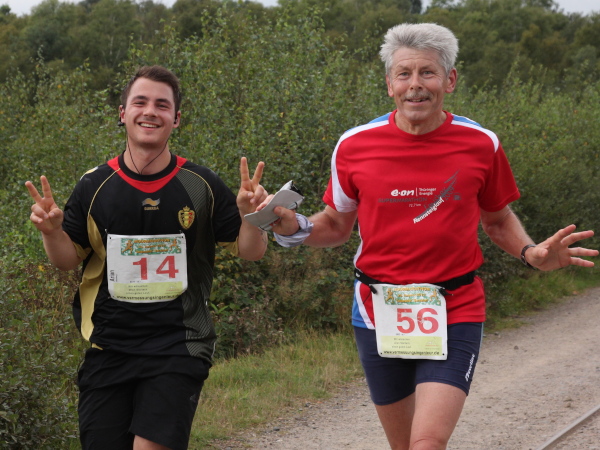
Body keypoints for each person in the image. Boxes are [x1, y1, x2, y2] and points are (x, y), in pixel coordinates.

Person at [261, 23, 598, 449]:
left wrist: (530, 252)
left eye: (428, 73)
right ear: (389, 84)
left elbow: (497, 221)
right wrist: (294, 228)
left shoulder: (481, 143)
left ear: (450, 80)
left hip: (455, 305)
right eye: (404, 74)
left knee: (428, 442)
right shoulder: (354, 145)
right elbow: (335, 225)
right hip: (377, 310)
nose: (415, 85)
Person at [25, 65, 269, 450]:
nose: (150, 111)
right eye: (140, 102)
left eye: (162, 105)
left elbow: (251, 251)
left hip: (179, 344)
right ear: (123, 113)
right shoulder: (94, 185)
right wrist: (52, 232)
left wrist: (252, 217)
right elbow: (67, 260)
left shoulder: (201, 184)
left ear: (176, 118)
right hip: (109, 347)